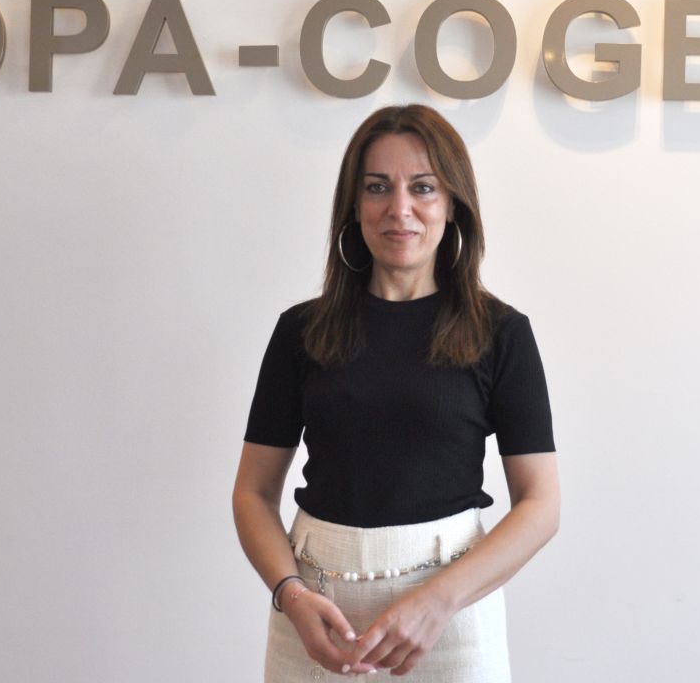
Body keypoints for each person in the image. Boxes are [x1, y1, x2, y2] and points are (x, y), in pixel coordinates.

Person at [232, 104, 559, 682]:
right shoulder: (300, 331)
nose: (399, 208)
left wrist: (438, 602)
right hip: (315, 618)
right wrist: (291, 595)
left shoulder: (501, 333)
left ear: (453, 204)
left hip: (451, 619)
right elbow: (253, 493)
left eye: (423, 188)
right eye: (377, 187)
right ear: (353, 206)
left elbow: (542, 505)